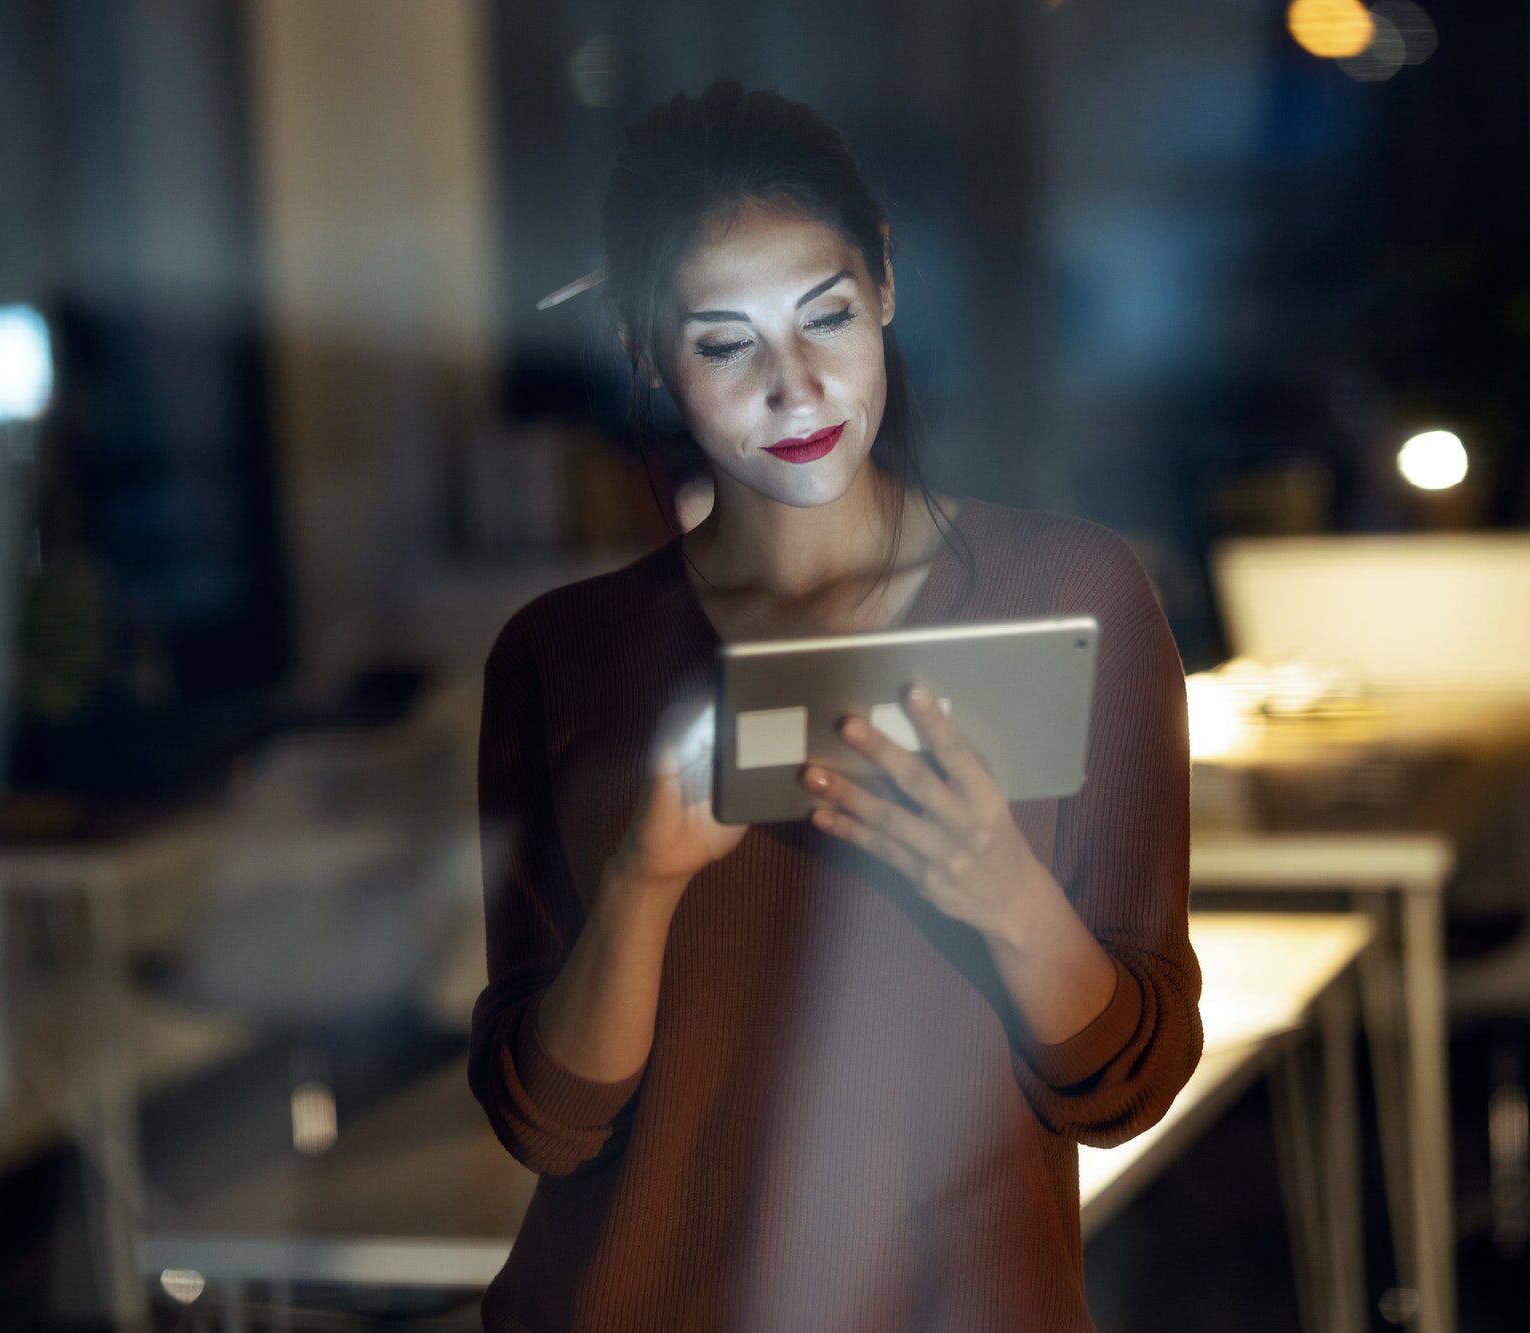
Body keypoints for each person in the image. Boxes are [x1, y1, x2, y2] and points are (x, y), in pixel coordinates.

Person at [468, 77, 1202, 1333]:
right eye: (722, 342)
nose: (795, 386)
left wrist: (1000, 889)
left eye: (827, 316)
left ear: (887, 290)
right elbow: (547, 1119)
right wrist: (644, 883)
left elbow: (1125, 1083)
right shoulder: (566, 654)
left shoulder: (1071, 594)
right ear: (647, 352)